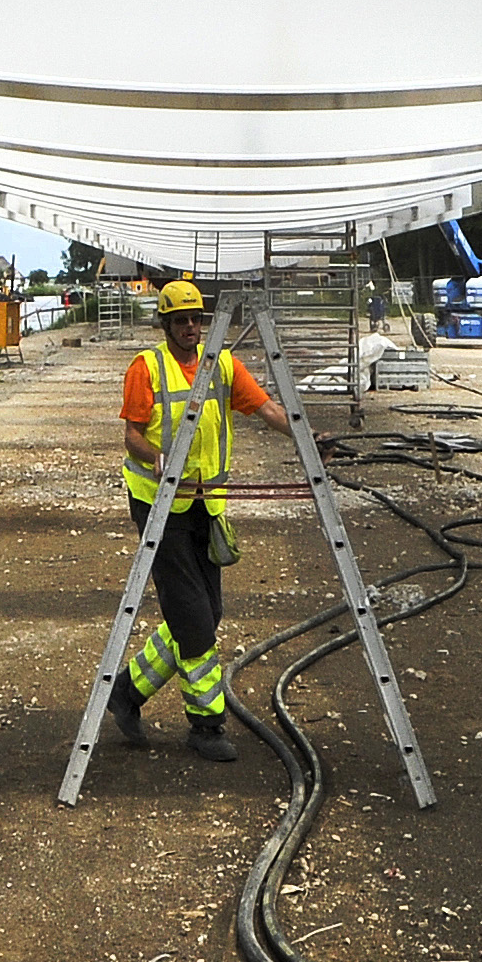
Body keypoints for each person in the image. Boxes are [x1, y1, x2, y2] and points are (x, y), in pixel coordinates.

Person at [110, 277, 277, 762]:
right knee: (196, 622)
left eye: (195, 319)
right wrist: (159, 457)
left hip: (206, 504)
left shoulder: (222, 364)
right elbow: (132, 436)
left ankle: (127, 693)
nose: (190, 327)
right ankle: (206, 725)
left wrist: (311, 437)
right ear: (164, 324)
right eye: (180, 320)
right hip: (159, 506)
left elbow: (266, 408)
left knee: (206, 612)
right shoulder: (147, 368)